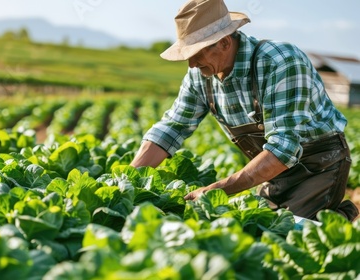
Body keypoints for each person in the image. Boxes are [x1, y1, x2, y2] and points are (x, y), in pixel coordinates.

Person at [130, 0, 359, 221]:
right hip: (272, 170)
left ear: (225, 43)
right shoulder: (200, 76)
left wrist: (217, 189)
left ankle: (341, 219)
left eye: (197, 52)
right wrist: (129, 180)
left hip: (319, 164)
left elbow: (283, 148)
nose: (191, 64)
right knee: (263, 229)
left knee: (293, 235)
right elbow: (172, 128)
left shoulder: (280, 62)